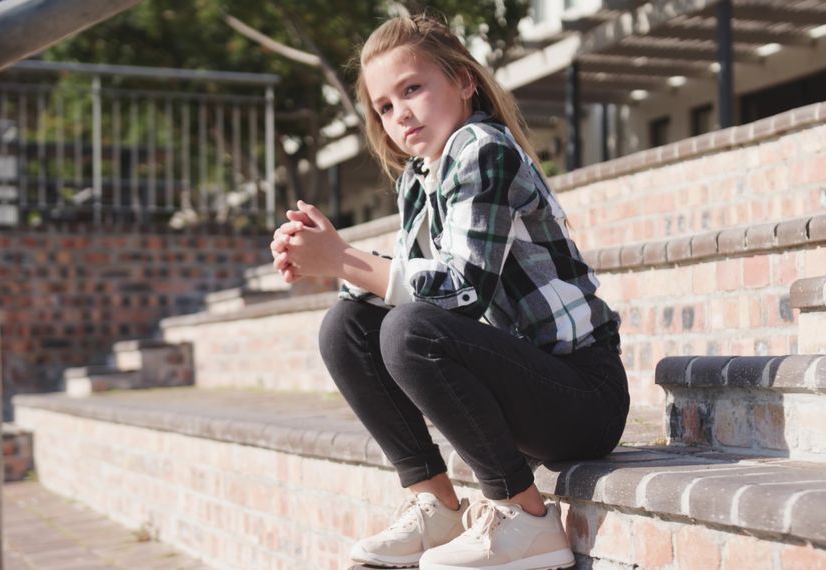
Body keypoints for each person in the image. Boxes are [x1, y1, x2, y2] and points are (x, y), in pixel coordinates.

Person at [269, 14, 628, 570]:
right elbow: (405, 284)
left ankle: (527, 518)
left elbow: (460, 292)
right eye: (385, 106)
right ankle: (434, 503)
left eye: (412, 88)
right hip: (528, 387)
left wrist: (340, 257)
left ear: (464, 81)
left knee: (411, 330)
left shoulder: (483, 149)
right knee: (346, 327)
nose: (400, 113)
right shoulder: (420, 177)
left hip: (584, 396)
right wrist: (316, 254)